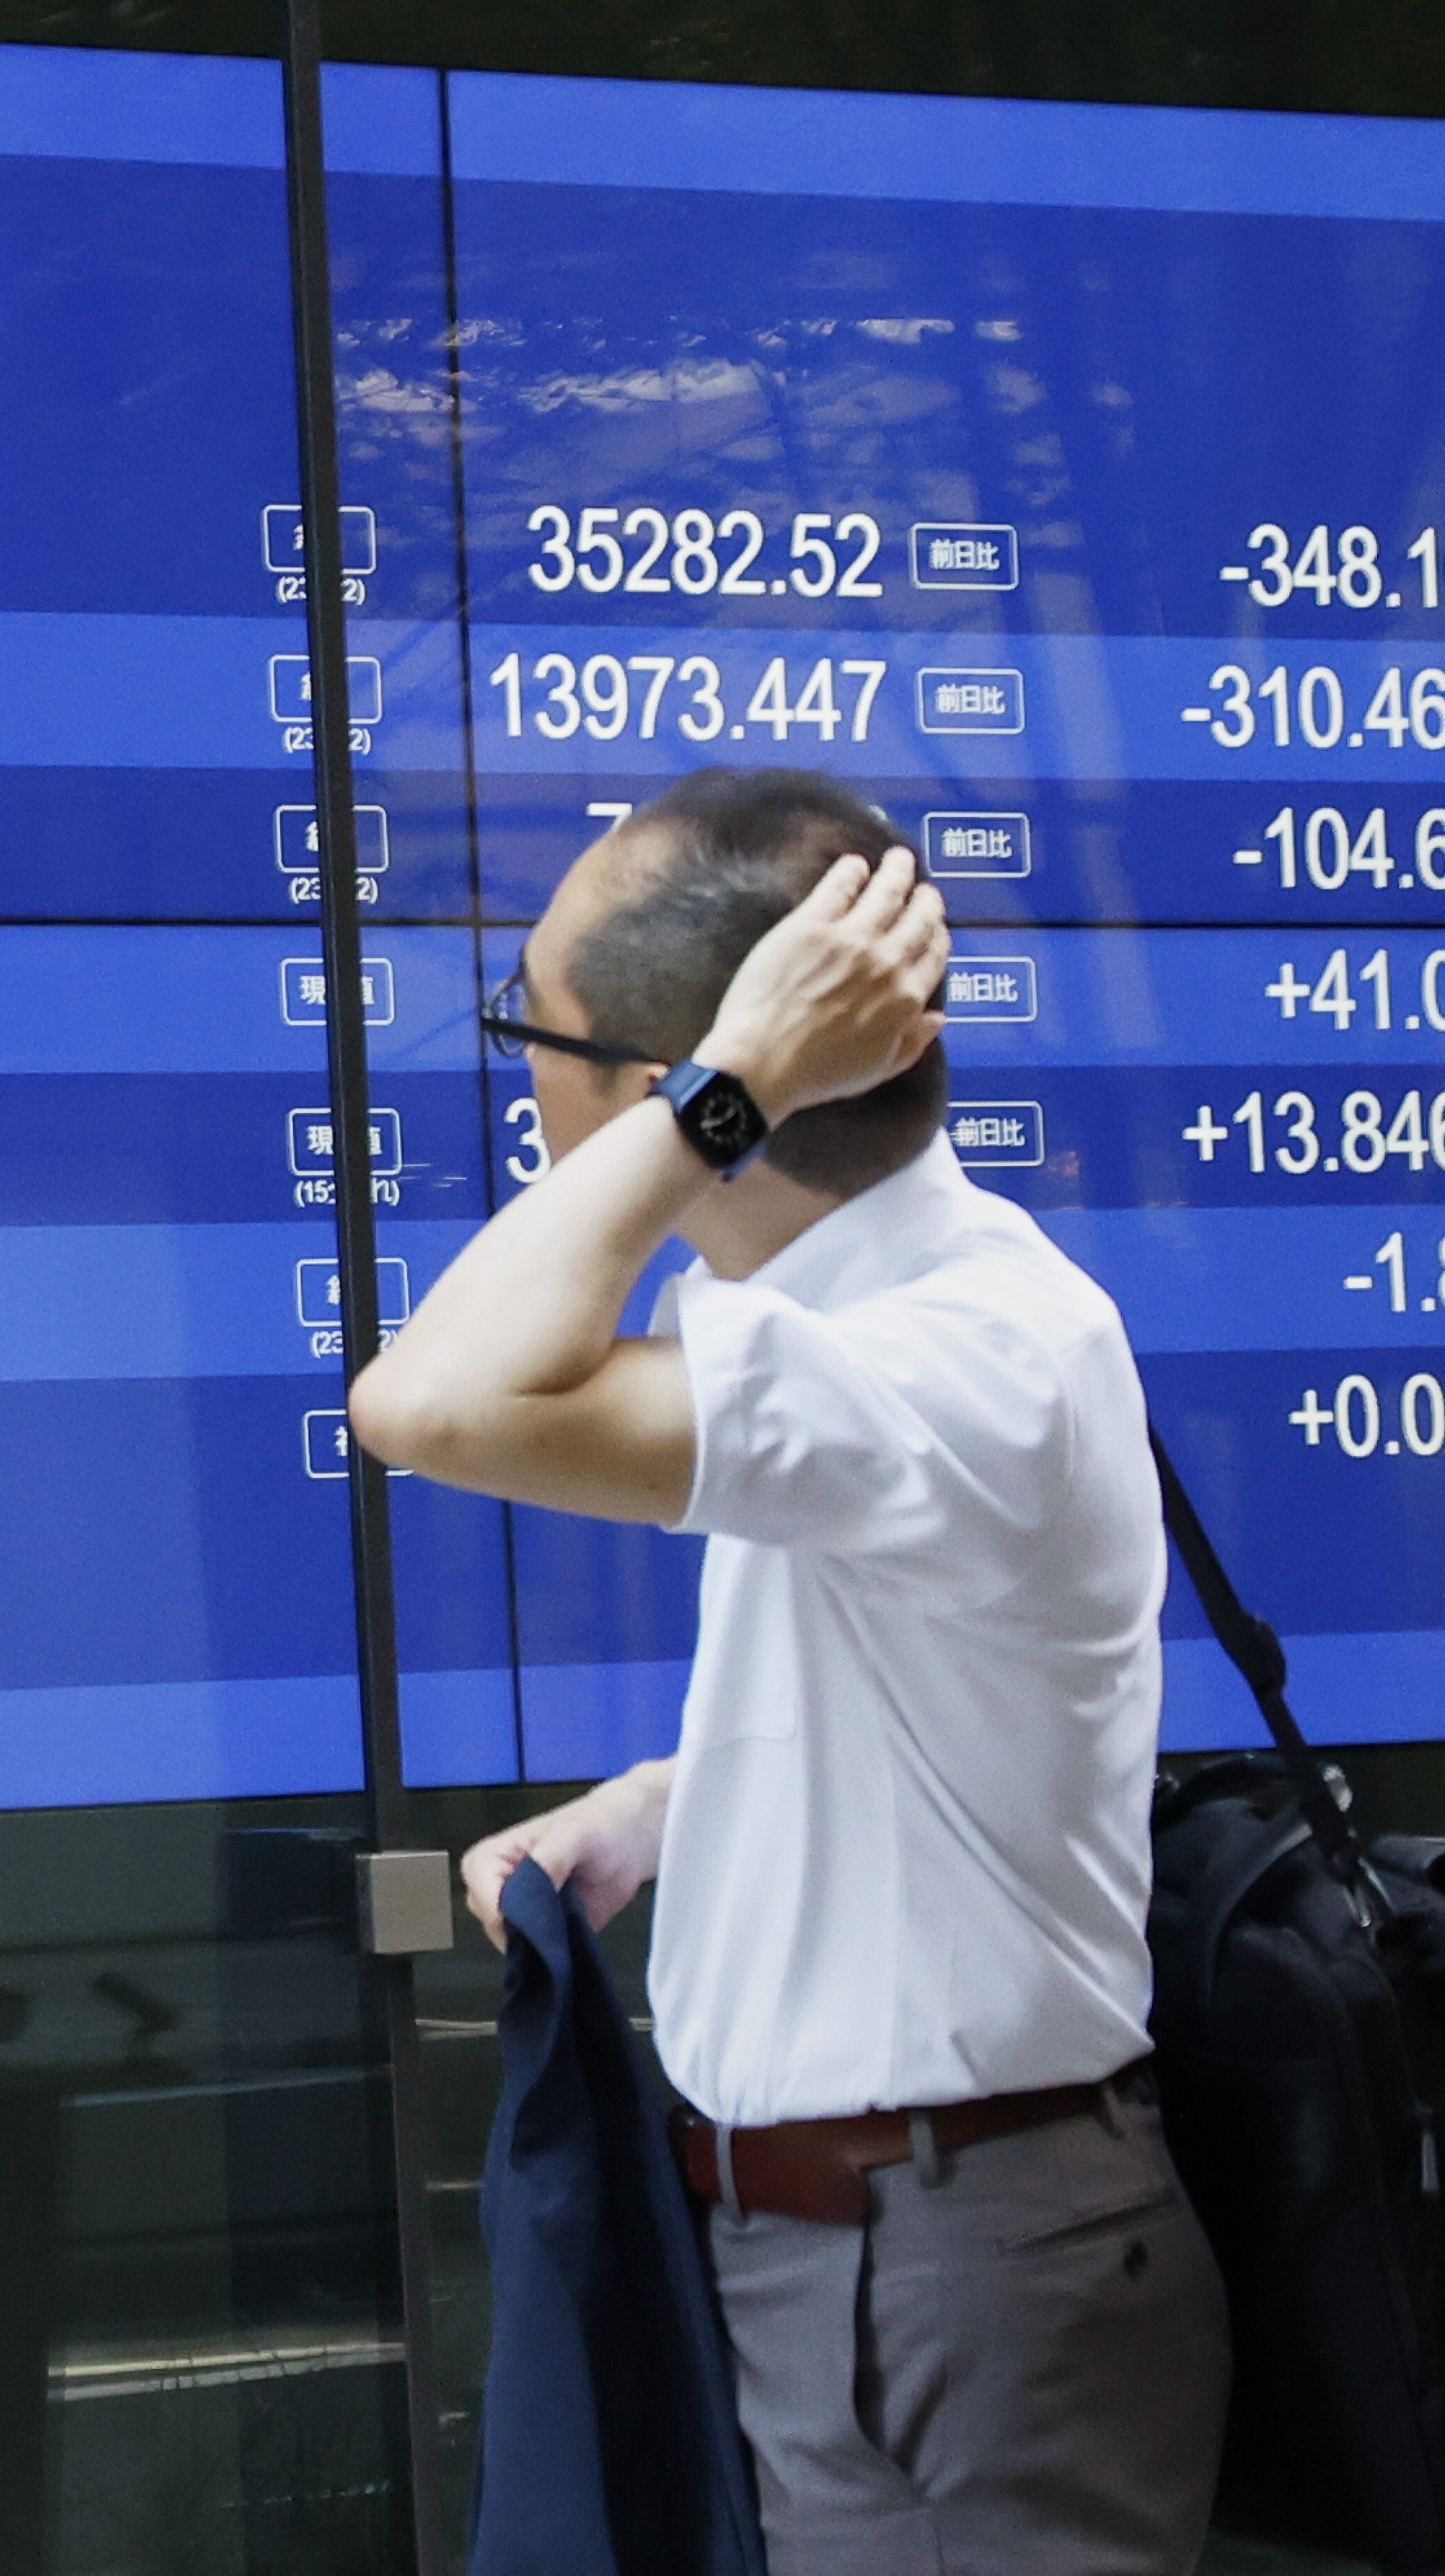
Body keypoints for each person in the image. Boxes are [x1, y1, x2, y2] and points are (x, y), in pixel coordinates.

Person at [351, 770, 1231, 2573]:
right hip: (858, 2243)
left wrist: (716, 1095)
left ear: (684, 1073)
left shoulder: (959, 1352)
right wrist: (677, 1808)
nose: (520, 1077)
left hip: (957, 2260)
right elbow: (940, 1708)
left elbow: (423, 1403)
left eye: (533, 1025)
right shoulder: (838, 1335)